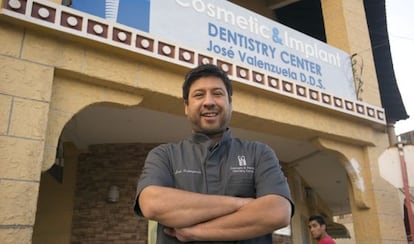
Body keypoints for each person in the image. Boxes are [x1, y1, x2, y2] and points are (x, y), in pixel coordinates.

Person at [134, 64, 294, 243]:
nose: (209, 101)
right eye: (199, 95)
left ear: (230, 103)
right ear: (186, 106)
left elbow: (277, 212)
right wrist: (242, 204)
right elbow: (153, 204)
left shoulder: (259, 153)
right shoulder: (165, 155)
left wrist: (193, 232)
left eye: (217, 93)